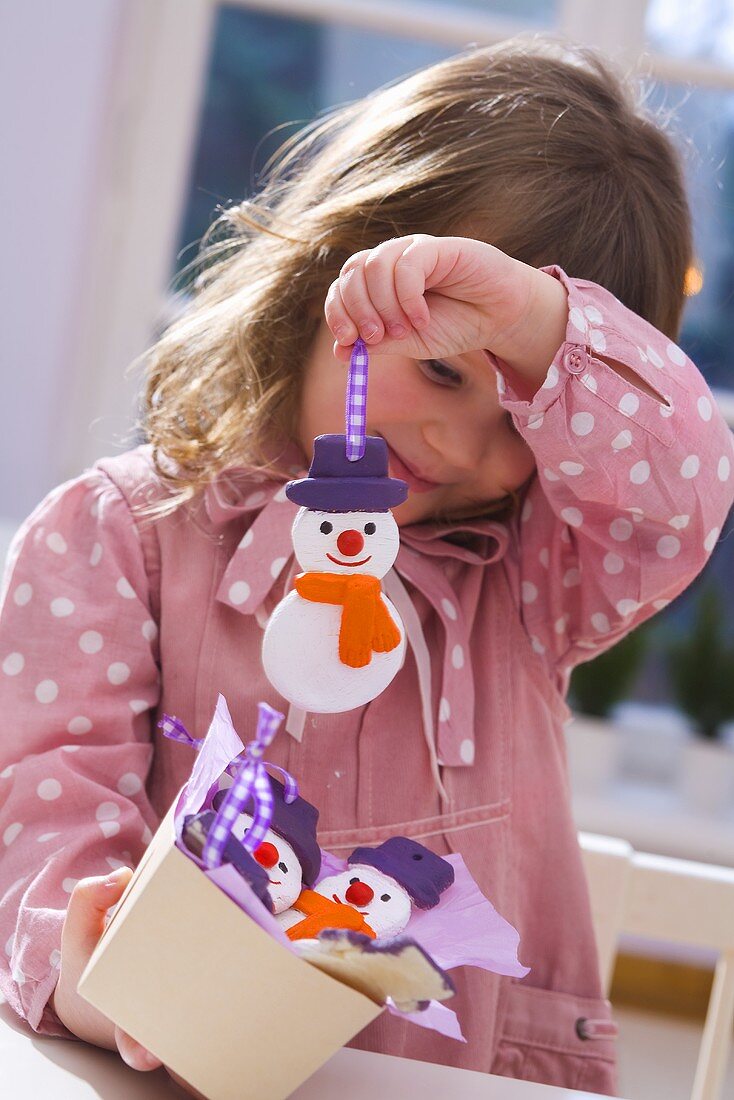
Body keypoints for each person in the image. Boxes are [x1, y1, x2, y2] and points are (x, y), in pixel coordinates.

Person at [1, 37, 733, 1095]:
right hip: (178, 1073)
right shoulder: (118, 535)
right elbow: (41, 806)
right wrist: (90, 967)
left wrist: (543, 326)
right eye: (437, 369)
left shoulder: (531, 579)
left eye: (520, 421)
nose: (455, 445)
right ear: (319, 278)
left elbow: (678, 497)